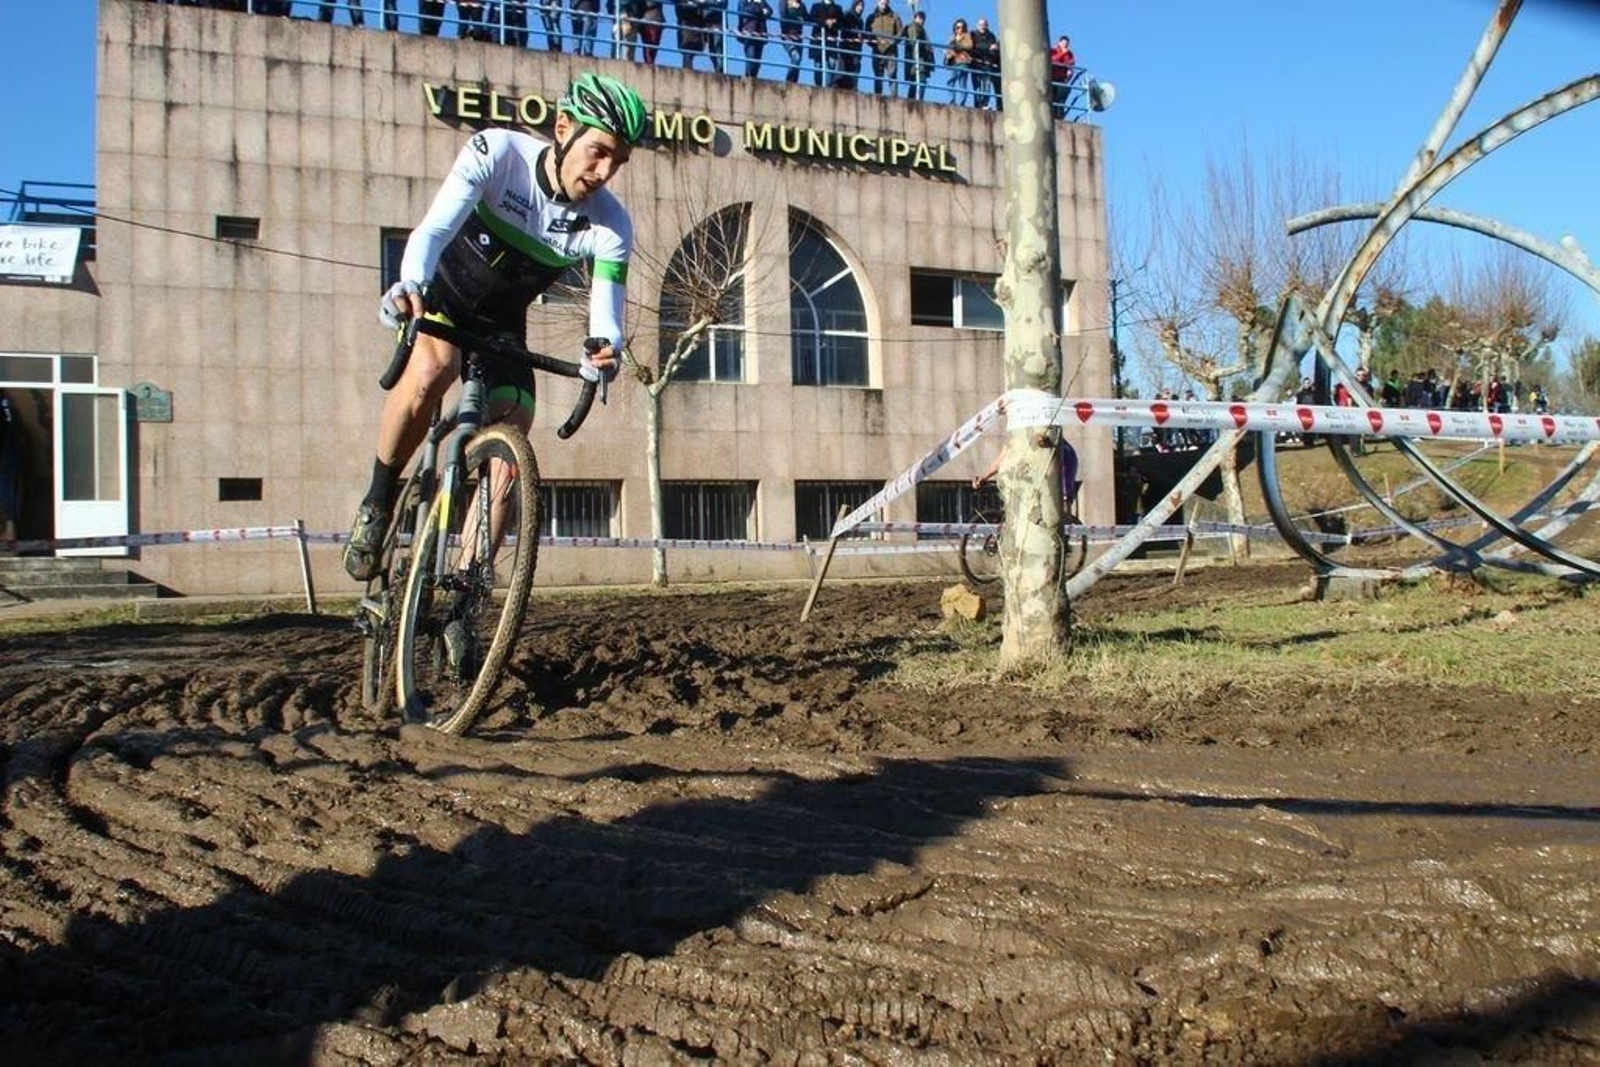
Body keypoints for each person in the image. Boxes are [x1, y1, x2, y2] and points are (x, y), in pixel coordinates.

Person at [342, 74, 647, 583]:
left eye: (618, 161)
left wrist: (604, 350)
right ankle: (378, 500)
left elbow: (606, 317)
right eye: (598, 152)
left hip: (502, 328)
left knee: (510, 448)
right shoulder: (498, 153)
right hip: (445, 299)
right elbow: (433, 230)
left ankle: (468, 585)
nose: (605, 171)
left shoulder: (610, 224)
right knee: (433, 372)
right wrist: (410, 284)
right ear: (563, 128)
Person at [865, 0, 902, 96]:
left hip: (891, 52)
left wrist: (893, 42)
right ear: (877, 2)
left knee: (892, 75)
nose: (884, 4)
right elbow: (866, 34)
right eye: (882, 2)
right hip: (877, 51)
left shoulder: (895, 16)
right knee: (878, 76)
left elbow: (900, 33)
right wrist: (873, 44)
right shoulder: (871, 17)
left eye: (886, 2)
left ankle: (894, 98)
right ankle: (878, 97)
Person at [809, 0, 844, 88]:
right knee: (818, 65)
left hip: (832, 40)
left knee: (832, 64)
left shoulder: (838, 8)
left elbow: (842, 22)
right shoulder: (816, 6)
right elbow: (811, 19)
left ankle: (828, 87)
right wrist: (825, 22)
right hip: (818, 40)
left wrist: (834, 21)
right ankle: (818, 86)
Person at [737, 0, 773, 78]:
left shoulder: (761, 1)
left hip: (760, 34)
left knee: (757, 61)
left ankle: (752, 78)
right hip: (748, 33)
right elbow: (744, 10)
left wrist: (762, 10)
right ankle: (748, 78)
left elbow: (770, 11)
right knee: (751, 57)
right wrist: (761, 10)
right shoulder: (744, 1)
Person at [902, 9, 932, 100]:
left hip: (921, 60)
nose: (922, 20)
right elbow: (913, 41)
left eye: (923, 19)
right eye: (920, 18)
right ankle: (914, 100)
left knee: (917, 81)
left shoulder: (922, 30)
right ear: (915, 18)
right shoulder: (912, 27)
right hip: (916, 60)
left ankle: (912, 99)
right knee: (919, 81)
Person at [969, 17, 999, 108]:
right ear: (977, 26)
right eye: (980, 25)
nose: (982, 26)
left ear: (987, 26)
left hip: (987, 64)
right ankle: (978, 105)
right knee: (977, 86)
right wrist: (987, 47)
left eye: (984, 25)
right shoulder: (972, 34)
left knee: (986, 87)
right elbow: (973, 47)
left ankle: (984, 105)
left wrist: (991, 49)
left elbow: (994, 50)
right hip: (975, 63)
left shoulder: (991, 36)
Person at [944, 19, 972, 106]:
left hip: (963, 61)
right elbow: (949, 47)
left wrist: (959, 46)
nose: (960, 29)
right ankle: (952, 100)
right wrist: (947, 54)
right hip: (953, 62)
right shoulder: (952, 37)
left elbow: (969, 45)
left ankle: (962, 102)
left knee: (962, 82)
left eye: (962, 27)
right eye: (958, 27)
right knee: (950, 81)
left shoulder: (967, 35)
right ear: (955, 28)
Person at [1048, 35, 1073, 118]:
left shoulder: (1069, 54)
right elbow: (1053, 60)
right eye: (1063, 43)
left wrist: (1069, 73)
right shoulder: (1053, 51)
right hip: (1053, 78)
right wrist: (1063, 53)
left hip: (1062, 80)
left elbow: (1070, 64)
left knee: (1061, 100)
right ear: (1059, 43)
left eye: (1066, 44)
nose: (1065, 45)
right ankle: (1053, 116)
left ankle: (1060, 117)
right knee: (1053, 98)